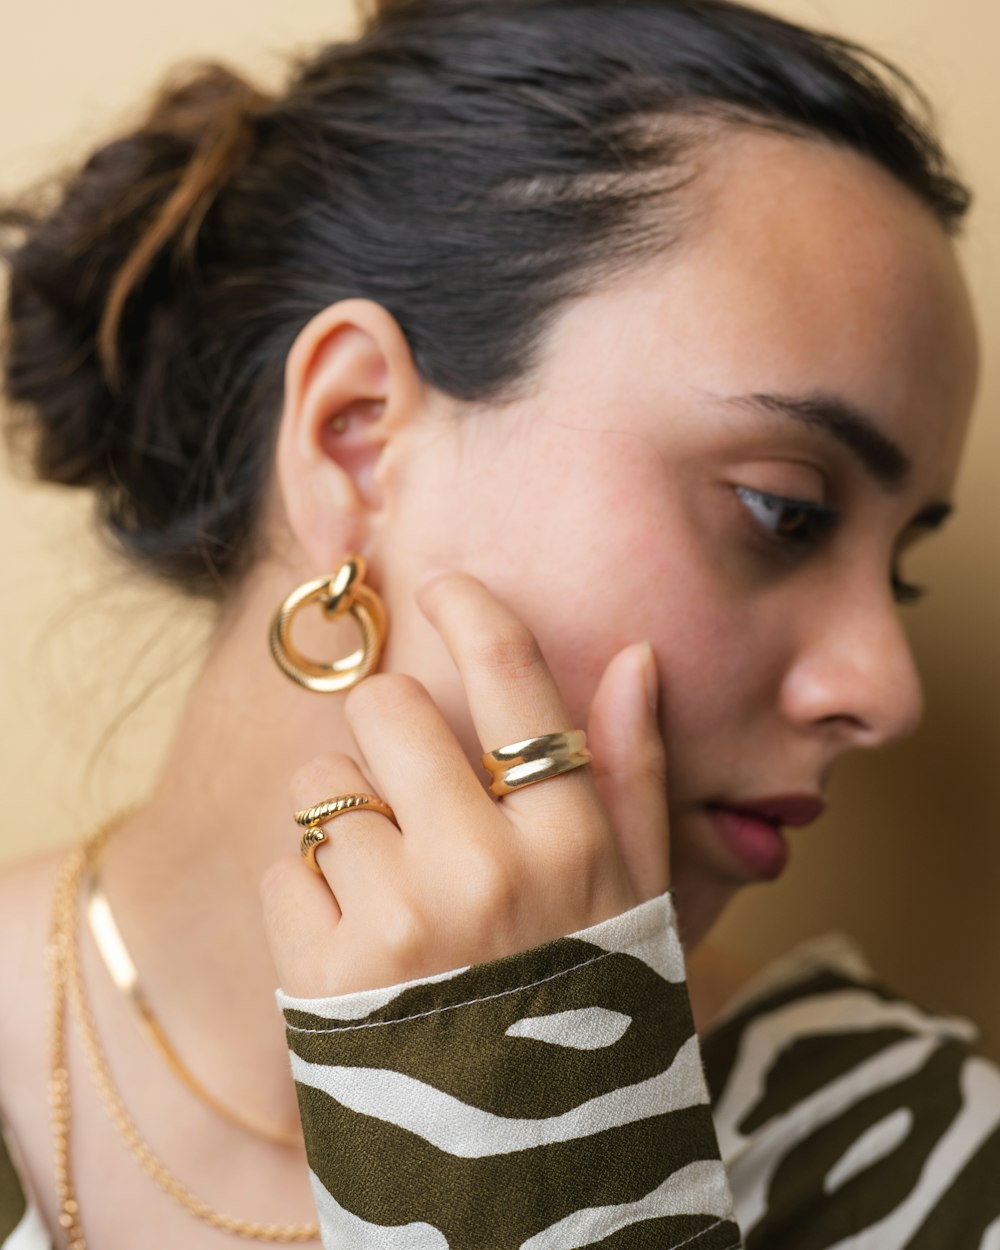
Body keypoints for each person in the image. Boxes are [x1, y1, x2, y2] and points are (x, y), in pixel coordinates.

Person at [1, 0, 998, 1246]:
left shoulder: (927, 1173)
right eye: (783, 511)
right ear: (354, 441)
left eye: (897, 568)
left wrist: (544, 1148)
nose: (884, 689)